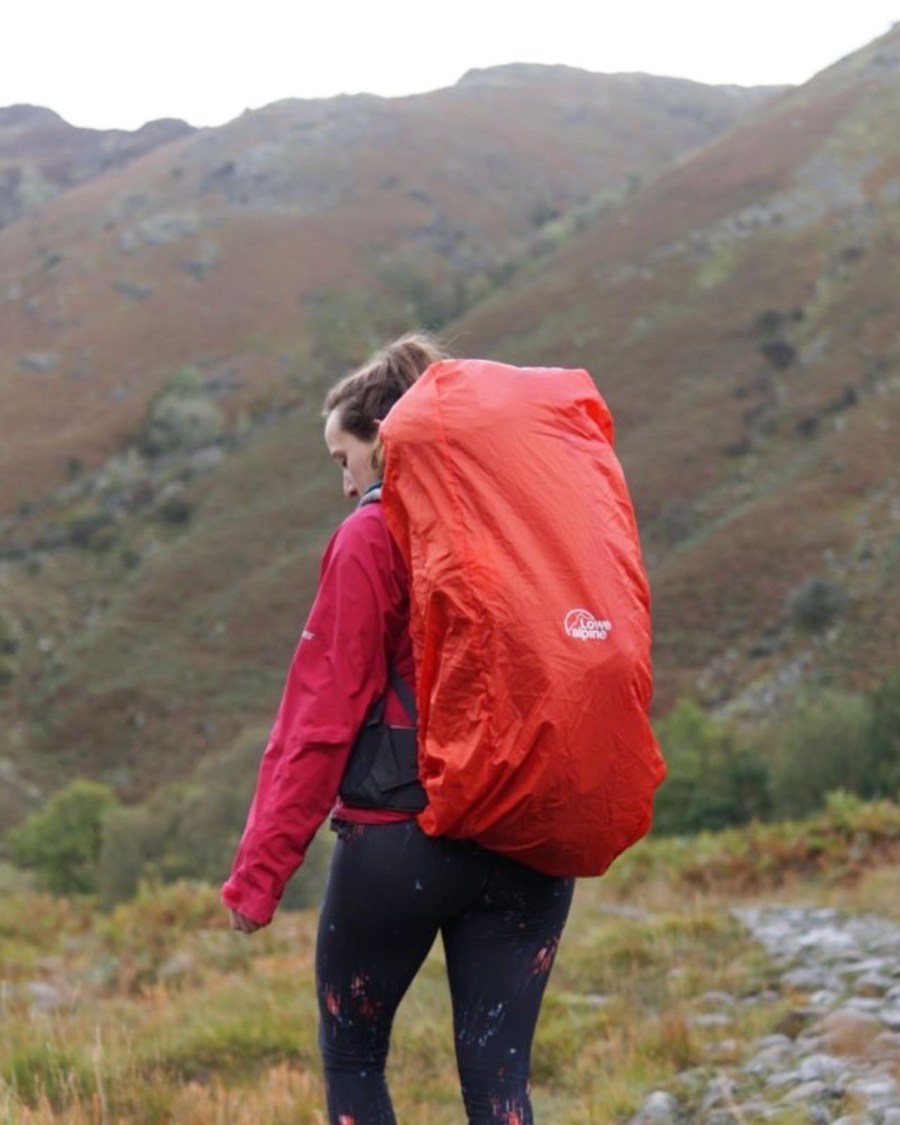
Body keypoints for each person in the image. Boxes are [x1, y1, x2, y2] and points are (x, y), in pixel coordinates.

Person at [222, 332, 574, 1125]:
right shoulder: (521, 524)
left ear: (385, 441)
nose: (344, 486)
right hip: (528, 839)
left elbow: (317, 721)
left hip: (402, 838)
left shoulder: (371, 536)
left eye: (343, 460)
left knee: (354, 1056)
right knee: (501, 1086)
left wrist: (259, 875)